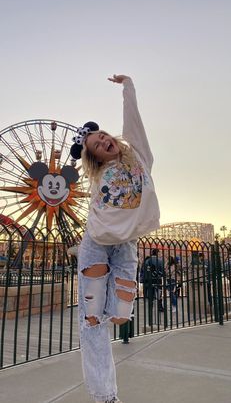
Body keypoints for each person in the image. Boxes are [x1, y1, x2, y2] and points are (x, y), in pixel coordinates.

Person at [70, 74, 160, 403]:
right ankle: (105, 396)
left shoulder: (138, 157)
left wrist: (129, 88)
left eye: (104, 136)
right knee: (93, 319)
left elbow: (134, 122)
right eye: (96, 144)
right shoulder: (100, 176)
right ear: (95, 156)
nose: (104, 141)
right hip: (96, 241)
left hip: (124, 243)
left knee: (120, 313)